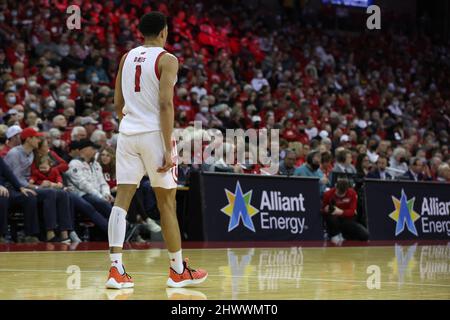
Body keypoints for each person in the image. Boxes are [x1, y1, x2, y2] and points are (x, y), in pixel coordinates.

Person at [106, 12, 207, 289]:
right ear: (164, 32)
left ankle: (116, 271)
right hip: (154, 135)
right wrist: (167, 147)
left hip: (127, 133)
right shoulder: (168, 59)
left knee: (121, 202)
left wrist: (129, 124)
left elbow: (117, 102)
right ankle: (177, 271)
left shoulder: (126, 57)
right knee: (166, 204)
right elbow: (165, 105)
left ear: (141, 32)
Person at [4, 128, 73, 243]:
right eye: (36, 137)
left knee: (62, 194)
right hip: (12, 187)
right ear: (28, 139)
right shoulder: (14, 153)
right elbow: (16, 178)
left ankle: (64, 233)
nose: (38, 140)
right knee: (49, 192)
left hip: (28, 185)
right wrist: (37, 187)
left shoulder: (31, 153)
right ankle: (49, 233)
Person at [0, 157, 40, 243]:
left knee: (29, 196)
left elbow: (8, 173)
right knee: (2, 197)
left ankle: (30, 235)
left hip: (6, 190)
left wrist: (20, 187)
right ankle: (2, 235)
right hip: (2, 192)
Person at [321, 178, 369, 243]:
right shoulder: (328, 194)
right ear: (336, 187)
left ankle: (345, 235)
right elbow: (322, 210)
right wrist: (325, 210)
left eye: (342, 193)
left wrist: (341, 212)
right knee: (331, 218)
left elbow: (352, 211)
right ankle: (334, 234)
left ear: (347, 190)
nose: (340, 195)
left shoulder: (352, 193)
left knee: (365, 235)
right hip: (333, 221)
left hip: (347, 221)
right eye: (338, 193)